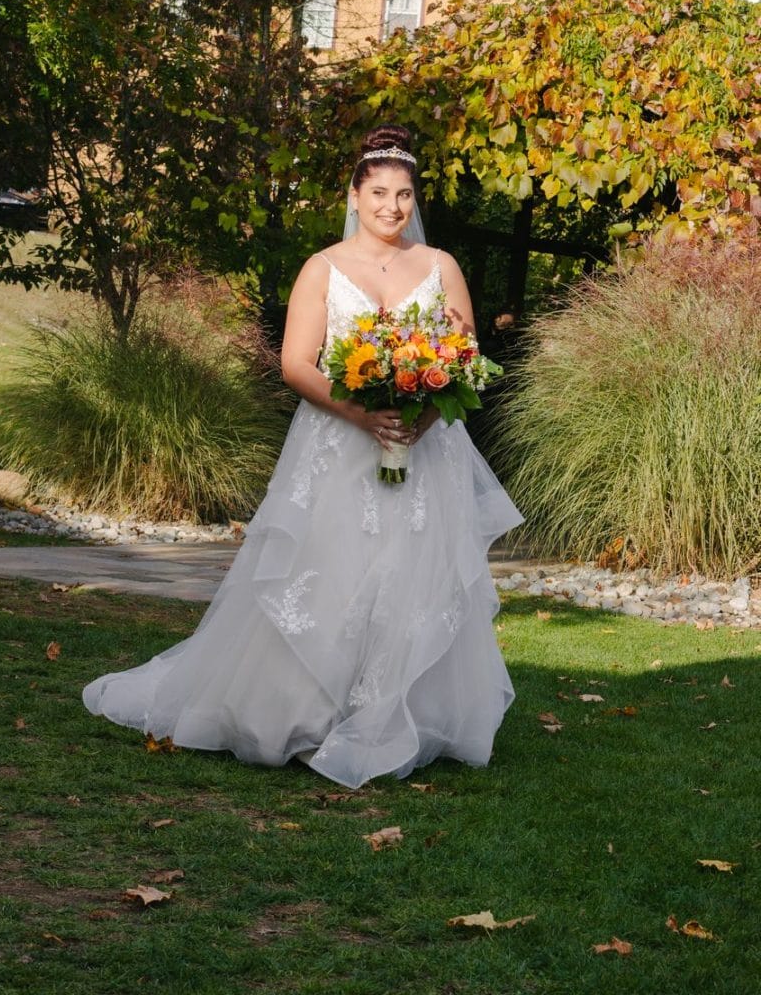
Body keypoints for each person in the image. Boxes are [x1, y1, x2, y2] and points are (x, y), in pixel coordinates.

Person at [83, 125, 523, 789]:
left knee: (409, 578)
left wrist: (417, 420)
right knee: (329, 569)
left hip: (424, 450)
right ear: (355, 193)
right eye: (379, 193)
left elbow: (466, 361)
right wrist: (363, 414)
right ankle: (302, 715)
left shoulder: (441, 267)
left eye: (403, 195)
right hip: (337, 447)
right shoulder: (323, 267)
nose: (391, 207)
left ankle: (389, 714)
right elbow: (296, 363)